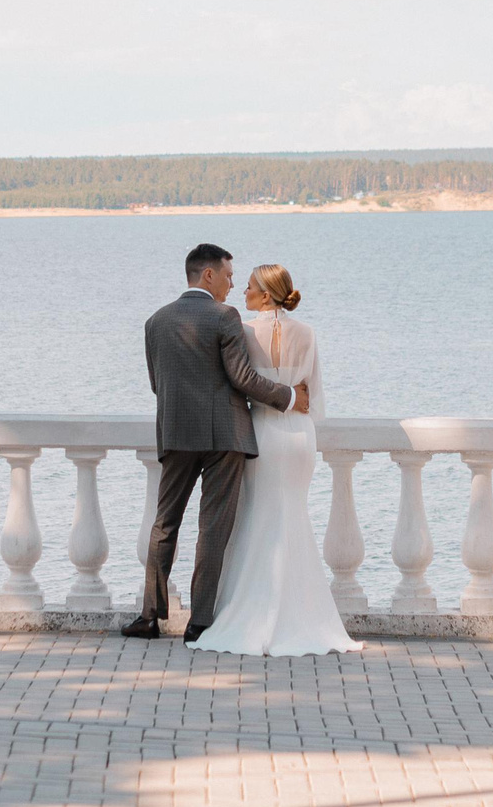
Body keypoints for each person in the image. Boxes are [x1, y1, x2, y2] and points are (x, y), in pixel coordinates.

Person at [126, 243, 311, 642]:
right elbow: (243, 378)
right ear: (207, 275)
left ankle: (148, 617)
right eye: (228, 276)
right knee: (212, 528)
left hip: (176, 433)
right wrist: (291, 396)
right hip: (225, 436)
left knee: (165, 524)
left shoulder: (155, 321)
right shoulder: (224, 317)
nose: (232, 285)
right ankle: (200, 622)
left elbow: (157, 385)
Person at [188, 264, 363, 657]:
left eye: (248, 287)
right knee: (293, 518)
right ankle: (302, 614)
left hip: (262, 433)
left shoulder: (245, 329)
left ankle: (252, 610)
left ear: (265, 295)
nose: (242, 292)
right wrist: (294, 399)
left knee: (257, 517)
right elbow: (313, 399)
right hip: (300, 437)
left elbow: (238, 382)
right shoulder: (309, 333)